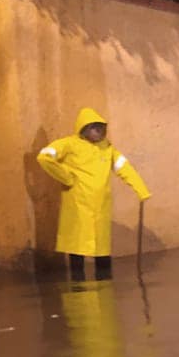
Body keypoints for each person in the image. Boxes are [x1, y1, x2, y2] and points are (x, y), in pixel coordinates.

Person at [36, 107, 151, 280]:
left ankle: (103, 289)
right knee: (77, 250)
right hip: (78, 206)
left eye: (100, 128)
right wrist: (66, 176)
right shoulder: (69, 144)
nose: (97, 132)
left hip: (100, 208)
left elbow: (125, 169)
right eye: (93, 127)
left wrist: (141, 190)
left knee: (102, 251)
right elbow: (44, 156)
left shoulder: (107, 148)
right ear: (83, 128)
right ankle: (78, 292)